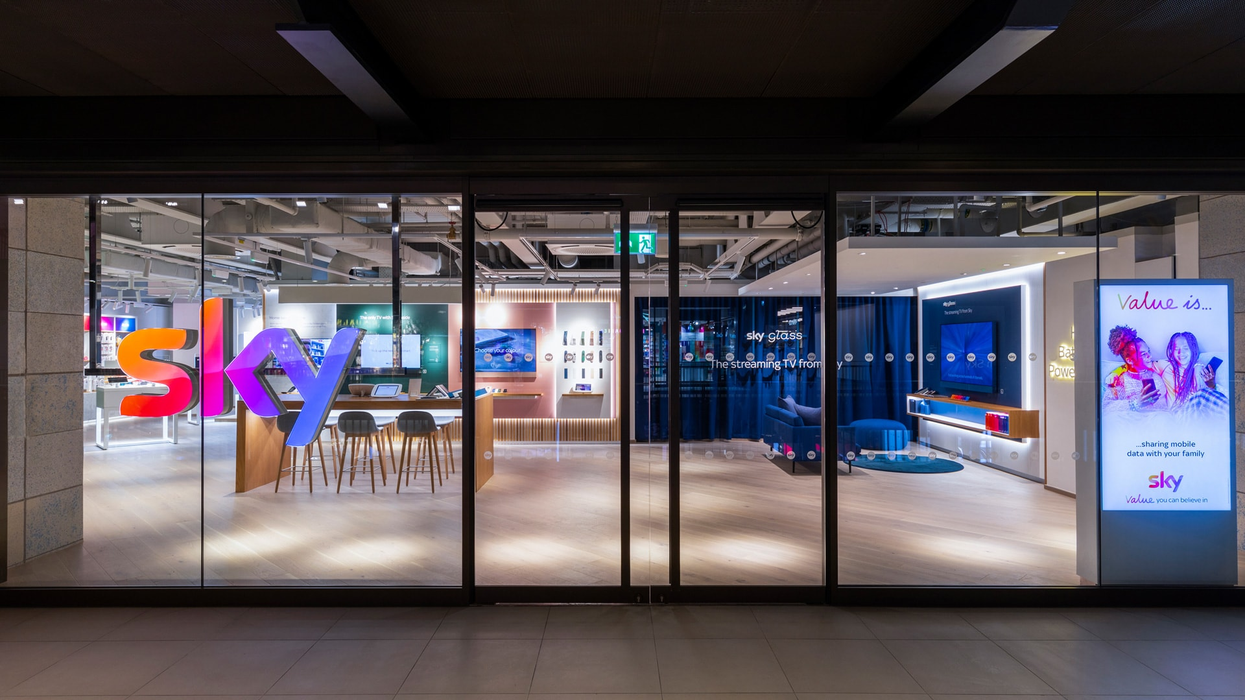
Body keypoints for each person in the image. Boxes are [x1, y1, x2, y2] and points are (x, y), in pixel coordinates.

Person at [1161, 330, 1227, 418]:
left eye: (1186, 348)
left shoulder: (1199, 368)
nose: (1181, 353)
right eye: (1176, 349)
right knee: (1200, 395)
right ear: (1172, 351)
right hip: (1178, 415)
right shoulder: (1167, 367)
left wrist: (1211, 384)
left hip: (1196, 414)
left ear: (1192, 350)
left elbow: (1208, 399)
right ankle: (1235, 416)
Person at [1103, 325, 1165, 411]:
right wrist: (1135, 404)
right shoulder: (1120, 380)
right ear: (1130, 361)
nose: (1150, 356)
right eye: (1143, 354)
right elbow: (1106, 406)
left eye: (1149, 351)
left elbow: (1163, 408)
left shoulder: (1156, 378)